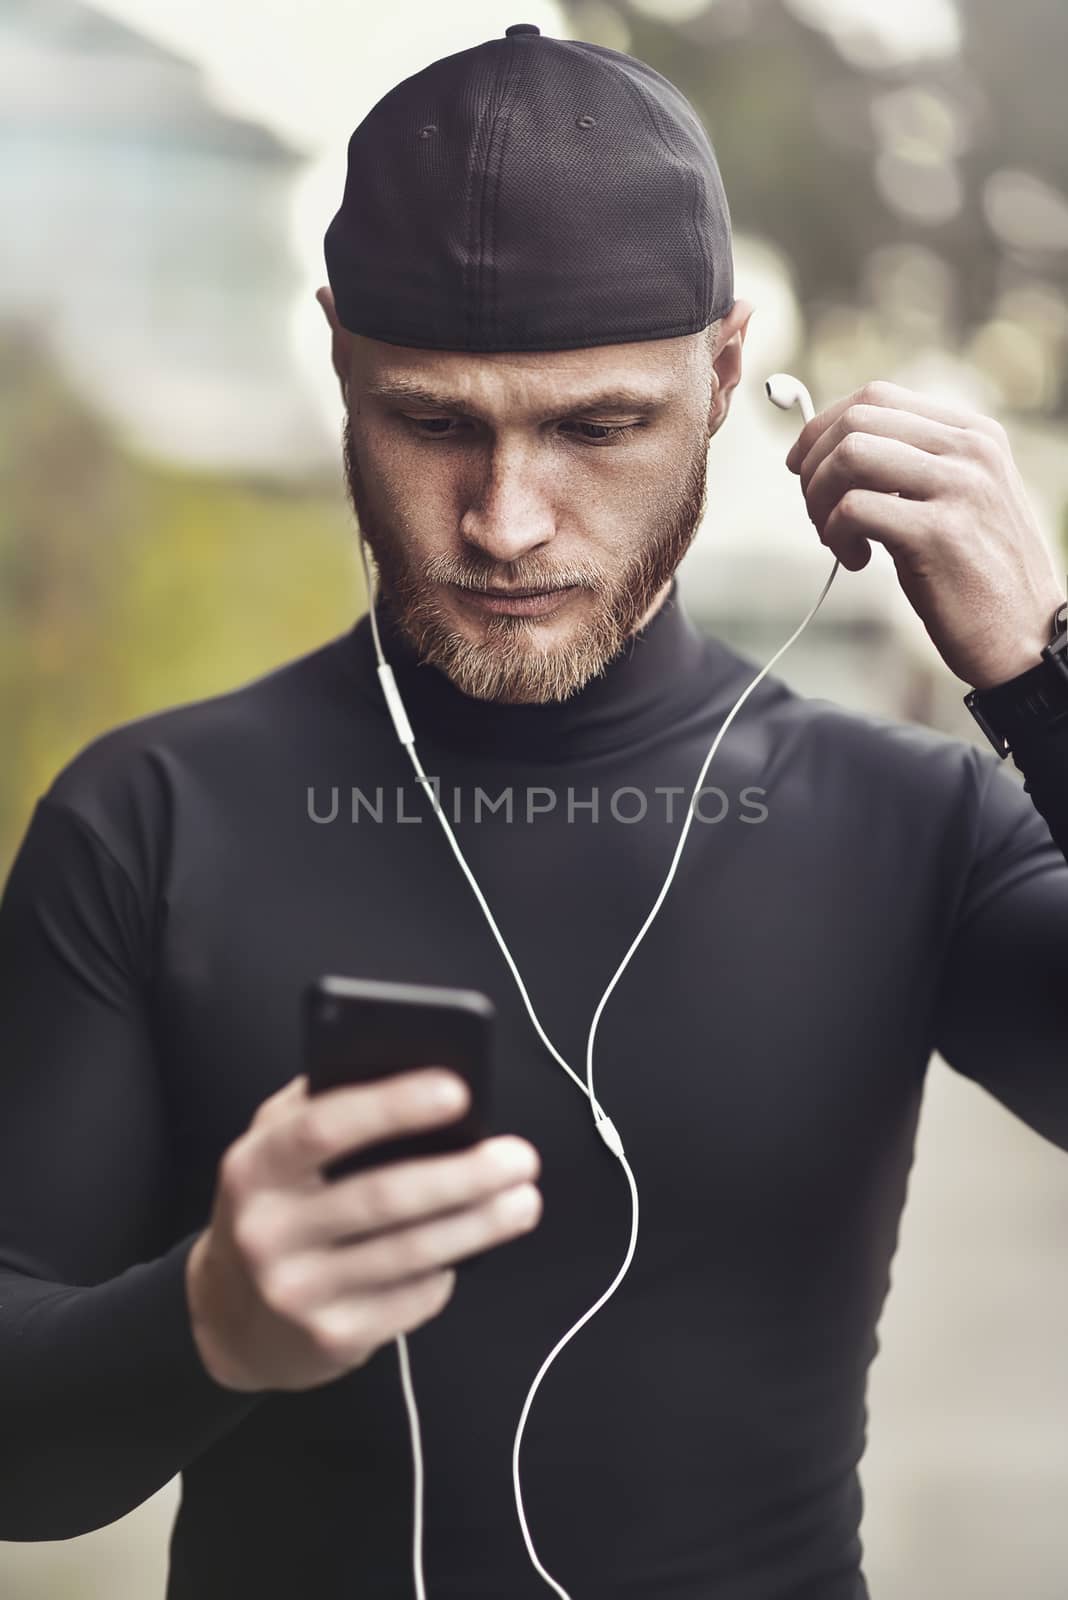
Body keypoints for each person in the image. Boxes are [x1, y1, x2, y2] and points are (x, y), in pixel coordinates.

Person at [1, 21, 1067, 1600]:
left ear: (722, 375)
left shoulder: (916, 821)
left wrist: (1051, 683)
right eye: (434, 424)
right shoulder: (147, 821)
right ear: (339, 359)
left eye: (595, 427)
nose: (506, 523)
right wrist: (211, 1321)